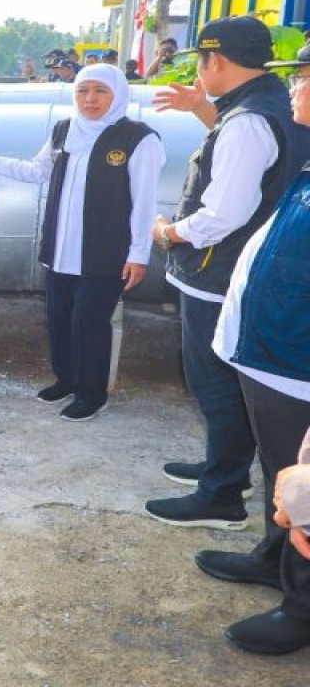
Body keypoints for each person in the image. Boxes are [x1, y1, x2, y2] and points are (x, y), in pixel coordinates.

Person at [144, 16, 310, 532]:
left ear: (214, 60)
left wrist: (170, 233)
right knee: (228, 388)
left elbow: (223, 213)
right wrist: (204, 112)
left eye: (200, 60)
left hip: (215, 275)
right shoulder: (262, 107)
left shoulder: (246, 121)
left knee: (215, 384)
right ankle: (223, 467)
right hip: (239, 272)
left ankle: (221, 493)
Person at [0, 63, 165, 421]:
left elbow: (145, 203)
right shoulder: (64, 130)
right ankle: (67, 380)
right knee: (59, 319)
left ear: (117, 94)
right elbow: (37, 171)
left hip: (105, 252)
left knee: (90, 321)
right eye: (83, 91)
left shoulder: (138, 139)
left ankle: (92, 393)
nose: (90, 99)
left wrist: (138, 255)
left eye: (100, 91)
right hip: (61, 248)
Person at [202, 42, 310, 655]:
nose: (293, 85)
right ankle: (275, 557)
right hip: (276, 353)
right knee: (285, 478)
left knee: (304, 478)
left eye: (304, 76)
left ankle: (302, 609)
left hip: (297, 358)